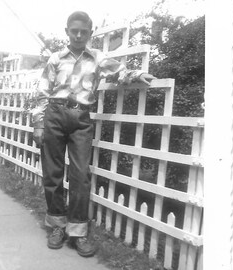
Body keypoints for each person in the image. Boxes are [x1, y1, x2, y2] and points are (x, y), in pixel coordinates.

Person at [31, 11, 156, 257]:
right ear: (67, 31)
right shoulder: (55, 59)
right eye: (74, 30)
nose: (78, 35)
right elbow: (43, 91)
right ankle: (57, 226)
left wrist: (138, 75)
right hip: (54, 115)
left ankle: (77, 231)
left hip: (81, 118)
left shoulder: (98, 57)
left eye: (84, 31)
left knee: (80, 174)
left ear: (90, 32)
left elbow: (119, 72)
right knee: (53, 173)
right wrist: (38, 123)